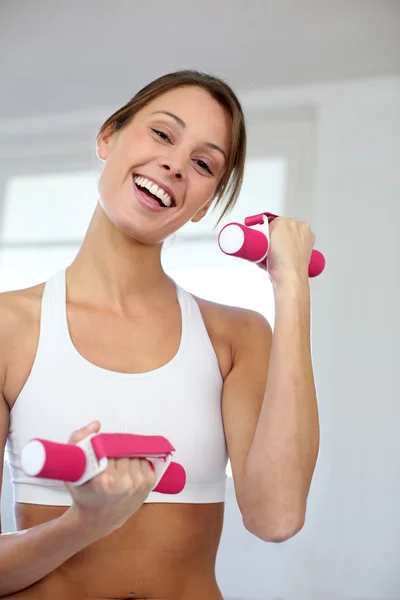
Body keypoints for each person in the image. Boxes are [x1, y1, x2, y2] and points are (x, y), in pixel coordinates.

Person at [0, 70, 320, 600]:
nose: (174, 164)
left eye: (202, 163)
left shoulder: (236, 337)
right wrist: (84, 522)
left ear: (205, 204)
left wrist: (292, 287)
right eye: (163, 134)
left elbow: (277, 516)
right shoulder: (11, 327)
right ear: (108, 137)